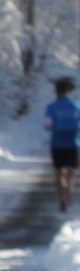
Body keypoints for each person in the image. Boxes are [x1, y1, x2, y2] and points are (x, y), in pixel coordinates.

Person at [48, 77, 80, 214]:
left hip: (57, 143)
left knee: (59, 171)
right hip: (73, 142)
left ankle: (62, 198)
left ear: (56, 91)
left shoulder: (52, 107)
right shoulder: (76, 106)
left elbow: (47, 124)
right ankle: (69, 193)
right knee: (72, 171)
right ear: (68, 91)